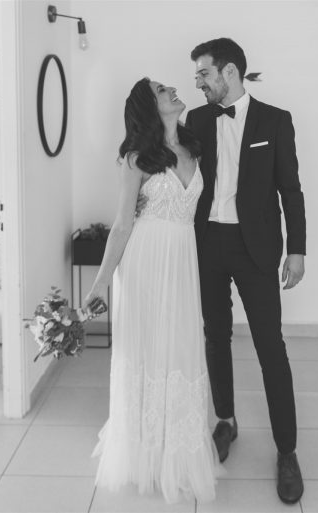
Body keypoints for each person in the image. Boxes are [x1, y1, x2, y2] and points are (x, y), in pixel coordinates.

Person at [85, 77, 221, 504]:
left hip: (181, 260)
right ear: (149, 106)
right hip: (144, 261)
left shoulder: (194, 147)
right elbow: (122, 224)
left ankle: (176, 446)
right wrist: (100, 282)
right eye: (162, 90)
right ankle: (143, 447)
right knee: (146, 349)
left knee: (179, 347)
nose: (173, 90)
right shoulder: (137, 159)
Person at [187, 37, 307, 504]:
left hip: (256, 247)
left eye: (204, 73)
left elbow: (291, 190)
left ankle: (287, 451)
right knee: (215, 336)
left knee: (270, 347)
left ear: (230, 72)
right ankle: (226, 420)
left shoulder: (275, 121)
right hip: (207, 243)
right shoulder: (197, 120)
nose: (198, 82)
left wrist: (296, 250)